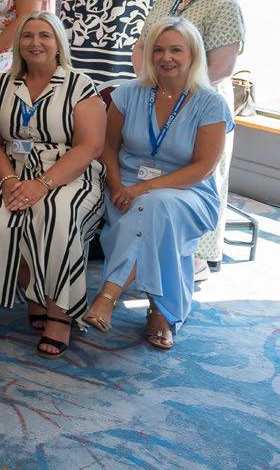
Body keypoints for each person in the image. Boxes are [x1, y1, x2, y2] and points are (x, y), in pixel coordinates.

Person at [89, 18, 232, 350]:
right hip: (124, 187)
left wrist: (143, 189)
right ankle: (161, 312)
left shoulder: (211, 103)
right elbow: (107, 147)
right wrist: (116, 185)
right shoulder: (128, 93)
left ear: (193, 55)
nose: (166, 57)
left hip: (189, 191)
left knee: (156, 205)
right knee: (155, 217)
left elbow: (203, 168)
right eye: (158, 50)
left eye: (176, 50)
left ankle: (108, 295)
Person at [0, 13, 106, 358]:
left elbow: (90, 147)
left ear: (58, 43)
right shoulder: (1, 85)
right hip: (13, 171)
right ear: (18, 45)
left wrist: (42, 185)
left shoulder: (79, 84)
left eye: (45, 35)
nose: (35, 42)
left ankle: (60, 313)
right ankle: (35, 291)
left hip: (69, 173)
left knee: (57, 216)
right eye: (27, 36)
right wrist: (9, 181)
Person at [134, 0, 244, 274]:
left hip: (200, 103)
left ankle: (195, 256)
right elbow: (142, 46)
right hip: (156, 96)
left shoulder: (225, 7)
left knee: (200, 173)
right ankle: (149, 245)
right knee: (157, 167)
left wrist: (182, 96)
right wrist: (149, 86)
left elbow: (222, 67)